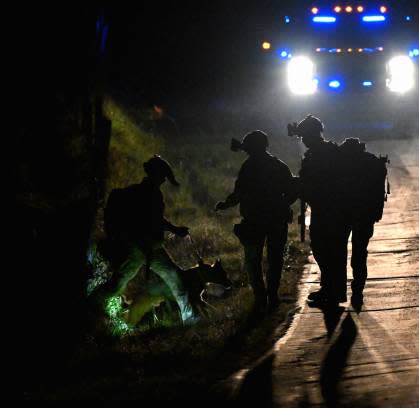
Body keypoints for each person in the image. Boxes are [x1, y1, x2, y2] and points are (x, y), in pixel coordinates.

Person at [93, 155, 198, 324]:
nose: (164, 180)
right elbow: (153, 220)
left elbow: (156, 219)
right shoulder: (146, 193)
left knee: (173, 278)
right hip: (140, 248)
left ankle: (190, 318)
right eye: (162, 176)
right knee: (119, 283)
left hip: (150, 247)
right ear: (155, 174)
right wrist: (175, 230)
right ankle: (91, 305)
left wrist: (174, 230)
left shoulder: (149, 192)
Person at [215, 131, 297, 311]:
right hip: (276, 220)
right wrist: (283, 205)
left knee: (253, 261)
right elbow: (292, 190)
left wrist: (226, 204)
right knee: (275, 260)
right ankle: (272, 296)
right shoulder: (278, 165)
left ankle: (261, 298)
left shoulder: (248, 167)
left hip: (254, 221)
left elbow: (238, 193)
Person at [290, 115, 351, 307]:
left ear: (312, 134)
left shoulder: (319, 154)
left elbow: (315, 182)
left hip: (329, 210)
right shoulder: (328, 150)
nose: (303, 140)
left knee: (326, 250)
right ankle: (332, 290)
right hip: (334, 209)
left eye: (304, 136)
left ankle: (332, 291)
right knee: (332, 251)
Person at [338, 138, 388, 309]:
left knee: (340, 252)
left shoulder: (340, 163)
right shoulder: (372, 162)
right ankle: (357, 288)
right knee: (360, 252)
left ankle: (340, 289)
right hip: (365, 214)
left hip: (343, 213)